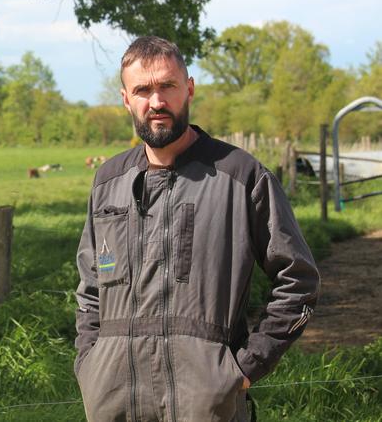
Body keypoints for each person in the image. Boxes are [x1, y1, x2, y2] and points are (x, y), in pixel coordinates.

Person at [73, 36, 320, 422]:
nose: (156, 102)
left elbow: (299, 280)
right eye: (142, 90)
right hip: (113, 404)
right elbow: (90, 290)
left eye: (167, 86)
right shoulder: (109, 180)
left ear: (188, 88)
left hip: (206, 406)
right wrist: (90, 362)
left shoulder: (241, 176)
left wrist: (243, 369)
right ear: (125, 99)